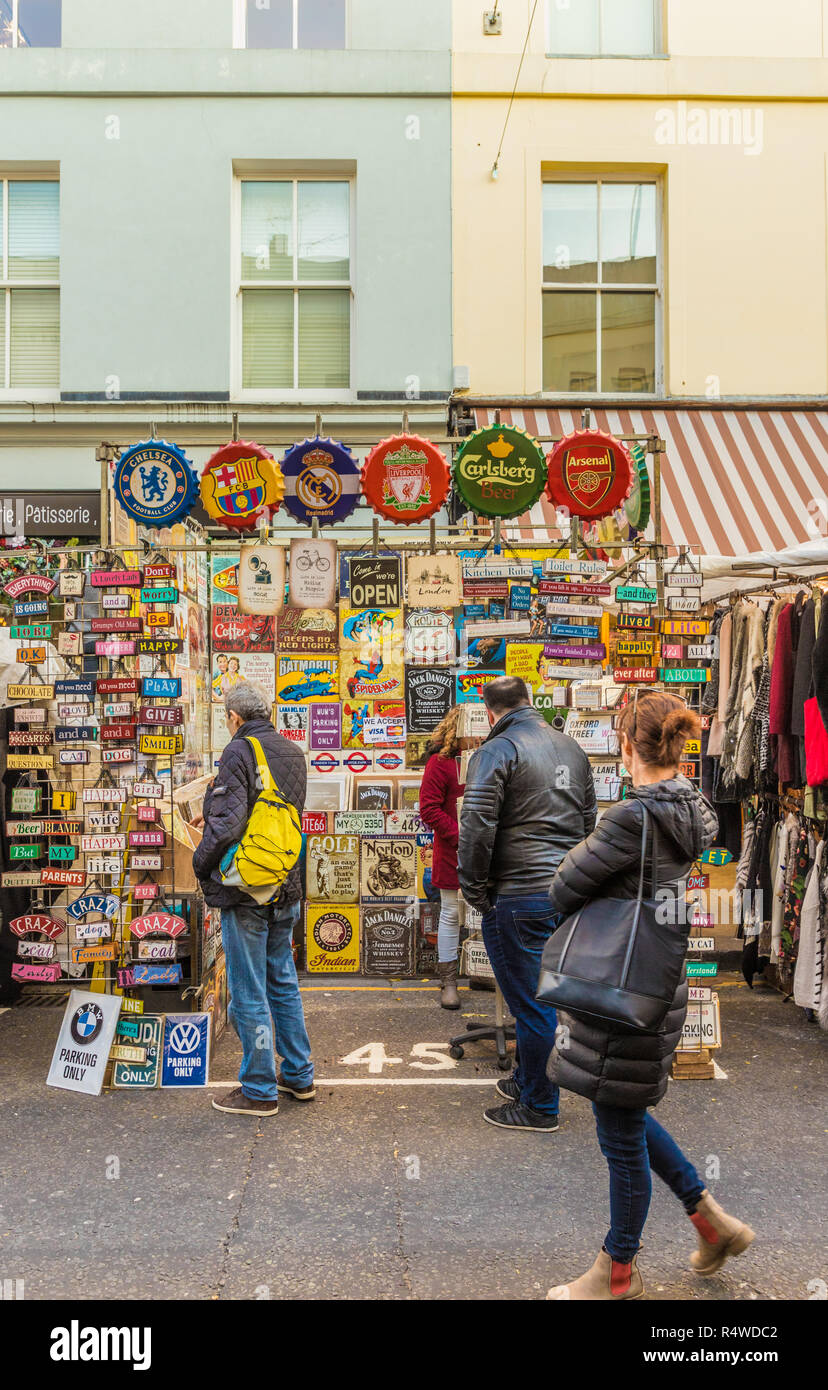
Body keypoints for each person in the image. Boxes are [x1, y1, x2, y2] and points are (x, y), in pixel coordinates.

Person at [544, 691, 755, 1300]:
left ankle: (618, 1271)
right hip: (658, 977)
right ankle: (711, 1222)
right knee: (626, 1109)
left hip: (618, 979)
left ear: (628, 745)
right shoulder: (695, 808)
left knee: (618, 1128)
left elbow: (562, 888)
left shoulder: (631, 817)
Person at [458, 676, 596, 1132]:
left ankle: (539, 1106)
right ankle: (525, 1080)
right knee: (545, 995)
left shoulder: (496, 751)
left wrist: (475, 889)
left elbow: (476, 827)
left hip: (517, 892)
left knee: (531, 1005)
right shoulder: (571, 749)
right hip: (563, 889)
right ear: (528, 702)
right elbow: (588, 821)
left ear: (489, 710)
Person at [192, 681, 313, 1118]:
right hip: (286, 881)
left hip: (246, 889)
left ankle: (259, 1087)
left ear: (234, 718)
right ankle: (299, 1075)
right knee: (282, 981)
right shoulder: (292, 751)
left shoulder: (238, 752)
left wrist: (200, 863)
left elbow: (225, 825)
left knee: (248, 990)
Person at [418, 705, 465, 1010]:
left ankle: (487, 974)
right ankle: (448, 979)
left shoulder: (495, 758)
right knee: (450, 912)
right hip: (453, 849)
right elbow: (429, 808)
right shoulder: (442, 763)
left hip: (492, 850)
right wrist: (461, 836)